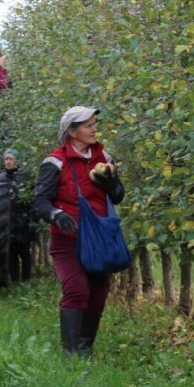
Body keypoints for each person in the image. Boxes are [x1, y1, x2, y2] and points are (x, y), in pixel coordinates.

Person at [33, 106, 125, 357]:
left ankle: (85, 349)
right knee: (76, 289)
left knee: (98, 293)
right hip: (68, 240)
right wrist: (57, 214)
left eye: (94, 123)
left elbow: (118, 197)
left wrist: (112, 184)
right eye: (88, 125)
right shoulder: (55, 162)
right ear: (72, 132)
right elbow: (40, 201)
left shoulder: (104, 158)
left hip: (98, 240)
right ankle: (71, 354)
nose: (94, 129)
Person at [0, 148, 36, 282]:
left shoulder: (24, 179)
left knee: (25, 255)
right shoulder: (0, 179)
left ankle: (26, 281)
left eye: (11, 159)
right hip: (8, 224)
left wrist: (32, 221)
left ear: (17, 161)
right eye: (6, 159)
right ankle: (14, 282)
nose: (8, 162)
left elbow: (32, 201)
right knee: (11, 255)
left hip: (23, 223)